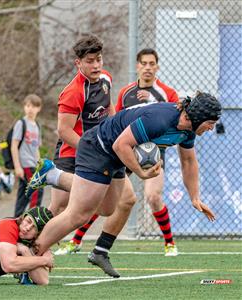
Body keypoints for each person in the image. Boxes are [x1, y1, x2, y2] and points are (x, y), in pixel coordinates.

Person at [26, 93, 221, 277]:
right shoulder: (161, 119)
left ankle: (54, 176)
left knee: (110, 206)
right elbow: (121, 145)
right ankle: (30, 256)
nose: (211, 128)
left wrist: (195, 197)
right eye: (210, 123)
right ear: (196, 116)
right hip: (99, 147)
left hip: (116, 156)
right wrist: (141, 172)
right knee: (79, 214)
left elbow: (188, 162)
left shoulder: (188, 131)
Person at [57, 48, 180, 259]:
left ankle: (169, 243)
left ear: (157, 67)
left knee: (152, 196)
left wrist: (152, 100)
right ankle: (76, 241)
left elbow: (172, 118)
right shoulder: (126, 92)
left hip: (153, 155)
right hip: (123, 152)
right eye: (144, 63)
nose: (148, 68)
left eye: (152, 64)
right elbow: (116, 119)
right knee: (102, 197)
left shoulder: (167, 94)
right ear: (137, 66)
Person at [45, 35, 115, 255]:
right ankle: (31, 247)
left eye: (99, 59)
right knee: (58, 207)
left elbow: (109, 109)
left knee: (114, 203)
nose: (96, 65)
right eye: (90, 61)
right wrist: (91, 149)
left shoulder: (105, 80)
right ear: (78, 63)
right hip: (71, 154)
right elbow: (64, 131)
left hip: (97, 154)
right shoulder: (74, 92)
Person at [12, 94, 44, 217]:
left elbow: (36, 148)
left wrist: (40, 165)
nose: (30, 109)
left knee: (24, 195)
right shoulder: (21, 123)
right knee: (37, 190)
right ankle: (33, 219)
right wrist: (17, 167)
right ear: (24, 107)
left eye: (34, 106)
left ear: (39, 108)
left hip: (34, 164)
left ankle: (15, 221)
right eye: (27, 106)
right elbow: (14, 145)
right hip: (25, 164)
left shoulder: (37, 126)